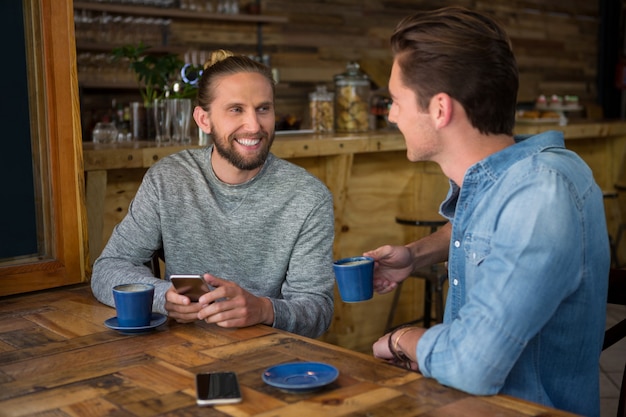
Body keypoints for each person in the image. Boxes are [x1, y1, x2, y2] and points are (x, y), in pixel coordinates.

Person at [368, 7, 609, 416]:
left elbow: (470, 365)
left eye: (395, 101)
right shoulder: (508, 179)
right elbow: (489, 229)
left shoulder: (542, 192)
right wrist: (416, 254)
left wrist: (402, 338)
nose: (391, 115)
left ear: (441, 110)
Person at [91, 50, 335, 339]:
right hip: (177, 352)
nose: (254, 126)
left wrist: (264, 310)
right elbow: (108, 268)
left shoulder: (308, 197)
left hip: (270, 357)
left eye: (263, 109)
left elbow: (318, 311)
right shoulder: (169, 179)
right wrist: (164, 296)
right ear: (203, 120)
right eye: (236, 109)